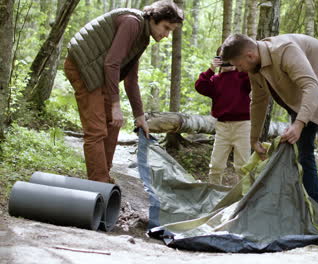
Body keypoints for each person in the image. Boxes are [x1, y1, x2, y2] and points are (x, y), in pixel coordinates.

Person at [220, 34, 318, 219]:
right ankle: (310, 208)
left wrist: (299, 124)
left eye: (238, 64)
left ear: (250, 55)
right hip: (304, 93)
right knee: (302, 151)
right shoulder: (255, 68)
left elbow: (312, 85)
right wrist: (254, 138)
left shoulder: (284, 50)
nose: (238, 70)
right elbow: (259, 101)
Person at [64, 1, 184, 183]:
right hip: (82, 67)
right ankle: (99, 183)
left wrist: (140, 116)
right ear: (153, 18)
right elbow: (111, 63)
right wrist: (115, 105)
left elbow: (130, 78)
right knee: (96, 130)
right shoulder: (132, 23)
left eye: (170, 31)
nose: (166, 35)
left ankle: (103, 175)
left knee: (114, 123)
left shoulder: (143, 36)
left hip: (98, 73)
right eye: (166, 28)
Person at [194, 49, 251, 185]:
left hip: (243, 125)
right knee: (215, 166)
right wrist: (212, 68)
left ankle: (242, 197)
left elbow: (255, 80)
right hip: (222, 127)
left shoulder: (243, 76)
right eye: (223, 58)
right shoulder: (215, 80)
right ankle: (214, 194)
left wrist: (240, 64)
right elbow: (200, 86)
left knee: (242, 166)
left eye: (230, 58)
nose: (227, 61)